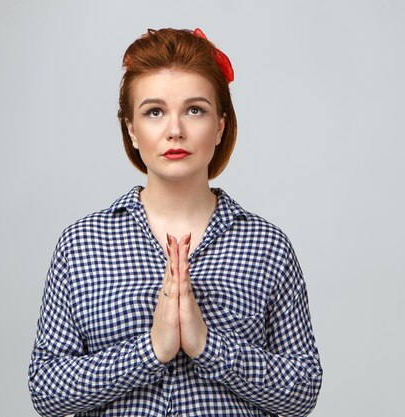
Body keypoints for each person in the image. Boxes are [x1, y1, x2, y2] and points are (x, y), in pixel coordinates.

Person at [28, 28, 322, 417]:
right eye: (154, 112)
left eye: (195, 109)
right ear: (131, 129)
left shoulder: (267, 245)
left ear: (220, 125)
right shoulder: (82, 243)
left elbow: (302, 389)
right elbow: (46, 389)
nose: (175, 130)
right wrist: (151, 351)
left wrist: (207, 345)